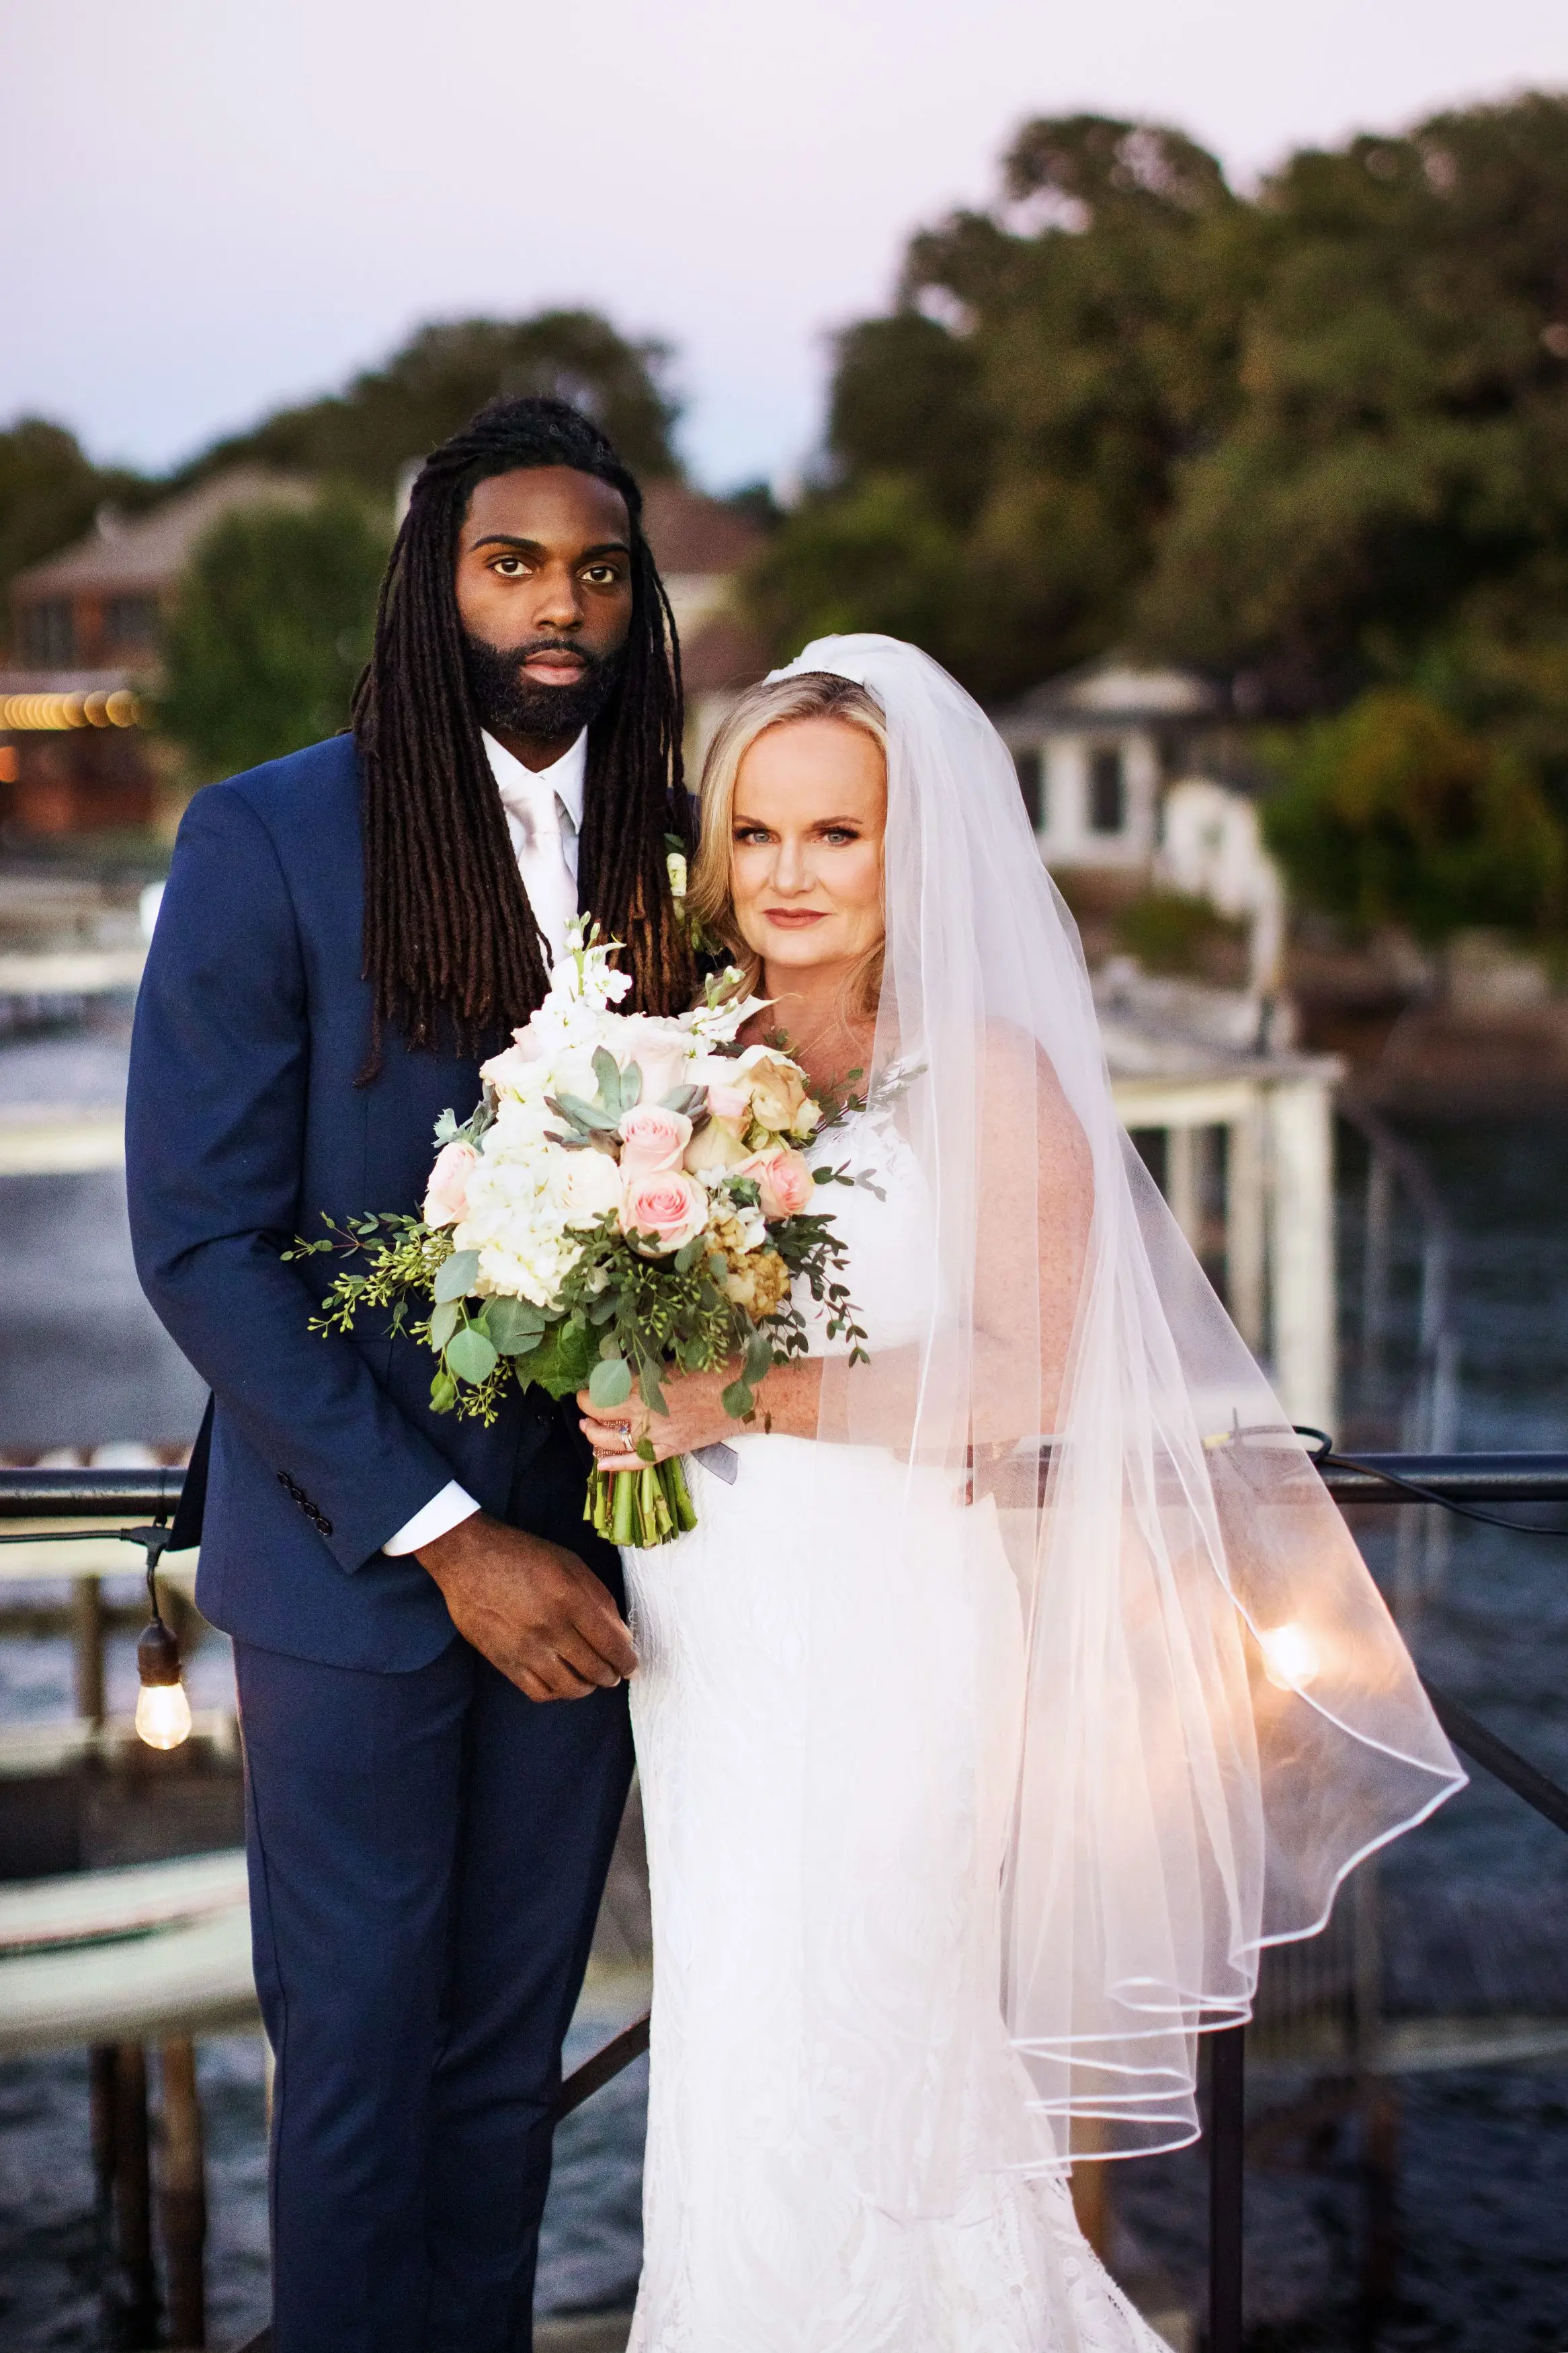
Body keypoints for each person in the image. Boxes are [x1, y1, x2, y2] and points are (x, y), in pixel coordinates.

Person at [578, 639, 1464, 2352]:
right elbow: (651, 1318)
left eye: (836, 835)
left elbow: (1017, 1377)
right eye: (754, 833)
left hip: (895, 1630)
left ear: (914, 851)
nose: (786, 875)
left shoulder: (980, 1071)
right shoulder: (683, 1059)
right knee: (734, 2053)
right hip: (713, 1635)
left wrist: (731, 1393)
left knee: (872, 2041)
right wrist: (616, 1397)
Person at [126, 395, 694, 2353]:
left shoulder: (677, 847)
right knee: (360, 2075)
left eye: (599, 570)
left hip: (608, 1563)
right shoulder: (271, 833)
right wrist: (451, 1540)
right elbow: (198, 1240)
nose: (563, 605)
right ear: (432, 582)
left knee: (502, 2073)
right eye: (514, 562)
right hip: (364, 1570)